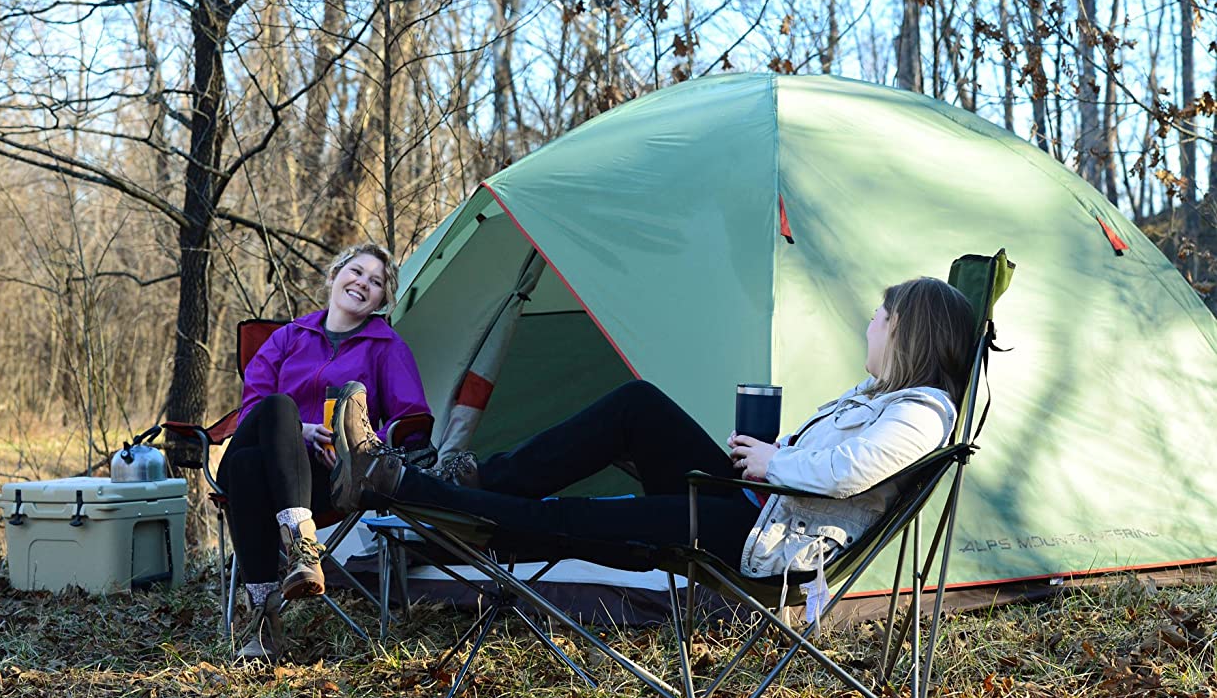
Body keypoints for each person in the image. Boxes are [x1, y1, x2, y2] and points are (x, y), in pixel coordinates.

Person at [328, 276, 976, 583]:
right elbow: (838, 461)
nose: (868, 325)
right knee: (638, 406)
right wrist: (776, 454)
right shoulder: (885, 396)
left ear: (905, 333)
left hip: (757, 538)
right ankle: (463, 484)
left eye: (878, 317)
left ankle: (401, 488)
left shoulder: (922, 412)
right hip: (757, 506)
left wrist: (774, 465)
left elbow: (854, 471)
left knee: (581, 520)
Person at [220, 243, 430, 659]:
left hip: (326, 477)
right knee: (277, 408)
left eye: (376, 282)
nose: (363, 283)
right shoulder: (288, 337)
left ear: (382, 300)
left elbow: (411, 420)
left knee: (246, 470)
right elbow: (251, 409)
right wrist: (299, 431)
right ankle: (301, 546)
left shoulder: (385, 347)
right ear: (334, 275)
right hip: (268, 451)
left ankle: (264, 620)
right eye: (356, 272)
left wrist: (358, 441)